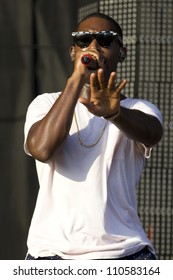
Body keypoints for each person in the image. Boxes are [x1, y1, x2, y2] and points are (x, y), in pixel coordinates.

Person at [24, 12, 163, 260]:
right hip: (52, 254)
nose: (93, 47)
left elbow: (153, 133)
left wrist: (116, 115)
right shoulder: (44, 104)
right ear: (73, 53)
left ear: (122, 53)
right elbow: (42, 149)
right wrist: (77, 78)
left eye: (106, 40)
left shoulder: (138, 108)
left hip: (126, 253)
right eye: (84, 40)